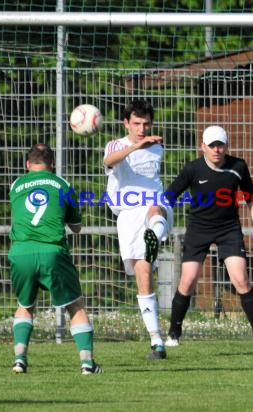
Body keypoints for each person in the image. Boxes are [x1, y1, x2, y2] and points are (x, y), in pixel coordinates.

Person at [163, 125, 253, 348]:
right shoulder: (192, 169)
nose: (216, 149)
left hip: (228, 229)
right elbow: (169, 197)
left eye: (220, 144)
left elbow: (252, 198)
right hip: (198, 228)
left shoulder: (238, 166)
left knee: (241, 280)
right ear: (202, 146)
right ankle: (174, 333)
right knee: (187, 281)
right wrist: (159, 223)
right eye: (212, 145)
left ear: (226, 146)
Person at [8, 143, 102, 375]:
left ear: (27, 164)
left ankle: (20, 360)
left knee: (25, 305)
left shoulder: (16, 185)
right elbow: (77, 227)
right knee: (75, 305)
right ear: (53, 165)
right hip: (52, 251)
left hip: (21, 252)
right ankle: (88, 364)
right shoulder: (63, 185)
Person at [103, 100, 173, 360]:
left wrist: (145, 145)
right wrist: (135, 147)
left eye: (146, 124)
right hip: (128, 215)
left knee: (157, 209)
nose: (142, 129)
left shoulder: (157, 147)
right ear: (126, 123)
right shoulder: (117, 144)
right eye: (136, 124)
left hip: (153, 206)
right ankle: (157, 341)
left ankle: (154, 232)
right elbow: (109, 161)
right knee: (142, 272)